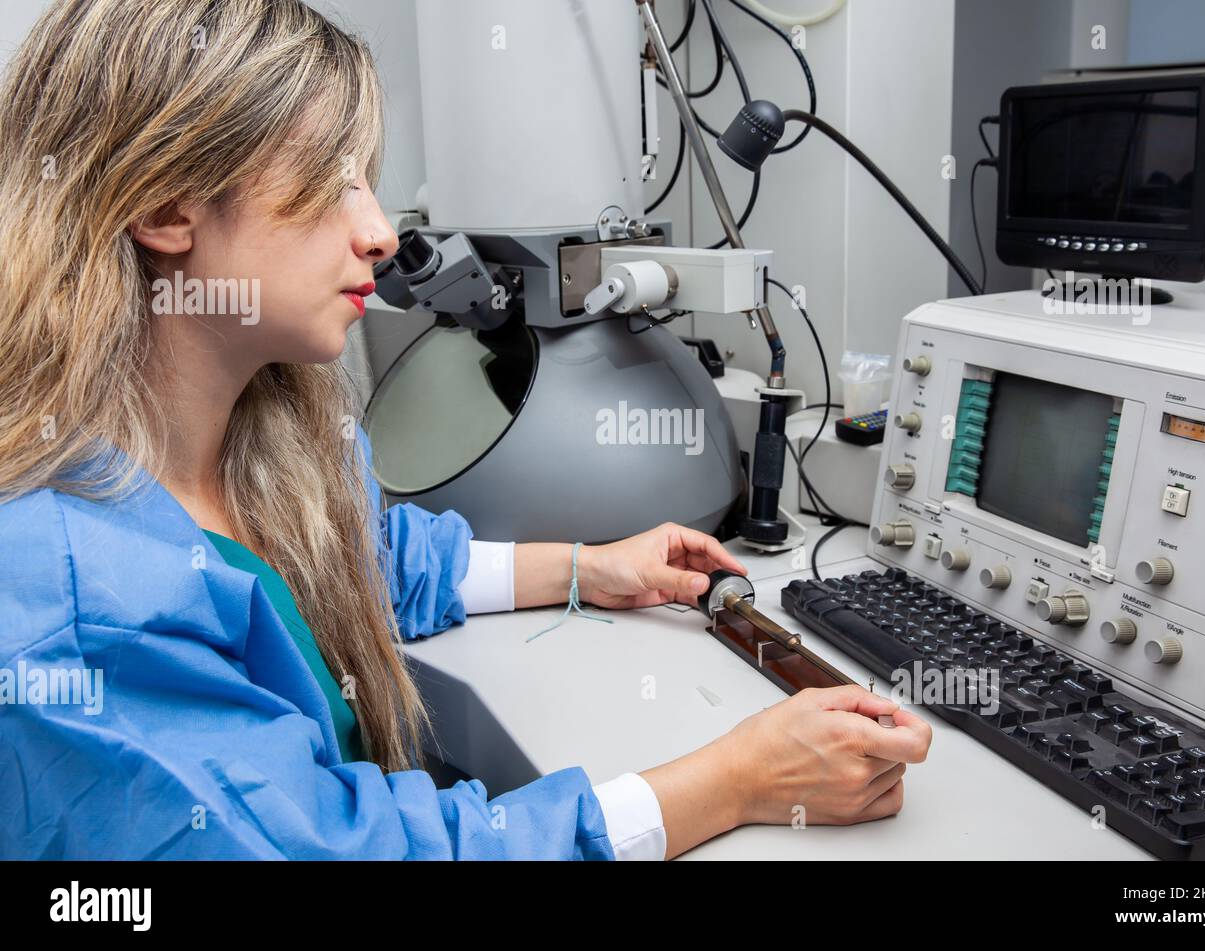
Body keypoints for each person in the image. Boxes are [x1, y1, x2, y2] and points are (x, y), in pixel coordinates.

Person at [0, 0, 931, 860]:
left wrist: (590, 569)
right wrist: (731, 781)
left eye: (368, 181)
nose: (376, 232)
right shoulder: (76, 607)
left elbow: (368, 559)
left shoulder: (258, 438)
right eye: (330, 182)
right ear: (166, 207)